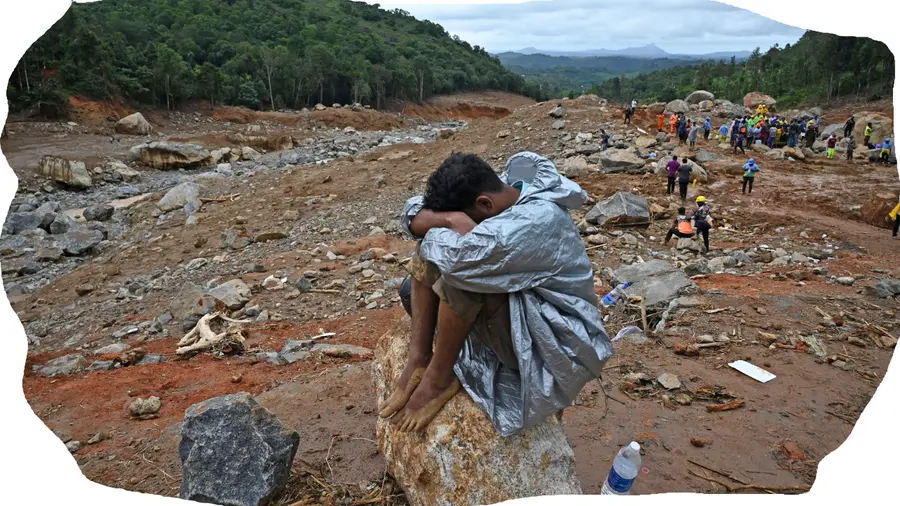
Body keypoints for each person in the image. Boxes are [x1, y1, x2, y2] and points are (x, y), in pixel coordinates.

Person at [387, 151, 613, 435]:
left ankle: (439, 378)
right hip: (525, 308)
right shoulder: (507, 188)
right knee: (427, 262)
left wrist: (439, 225)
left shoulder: (534, 220)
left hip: (554, 343)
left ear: (484, 203)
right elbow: (412, 211)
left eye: (464, 215)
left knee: (460, 278)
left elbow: (456, 261)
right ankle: (418, 359)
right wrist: (450, 220)